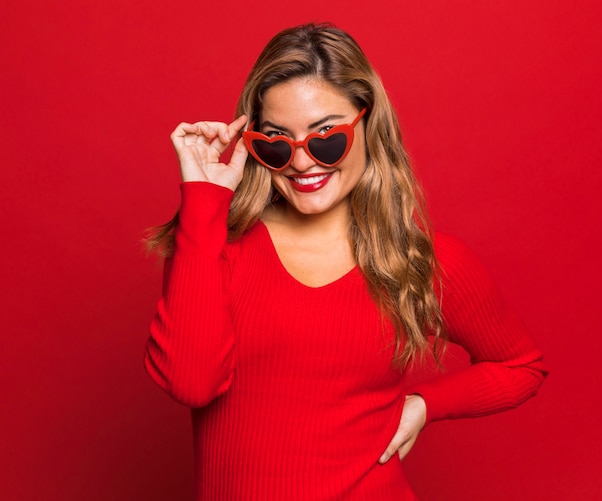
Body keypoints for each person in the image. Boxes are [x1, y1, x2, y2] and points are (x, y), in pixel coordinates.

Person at [144, 23, 548, 501]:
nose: (302, 162)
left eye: (325, 138)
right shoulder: (210, 245)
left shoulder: (421, 259)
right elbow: (192, 383)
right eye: (276, 141)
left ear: (367, 123)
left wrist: (423, 405)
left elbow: (521, 367)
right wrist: (204, 199)